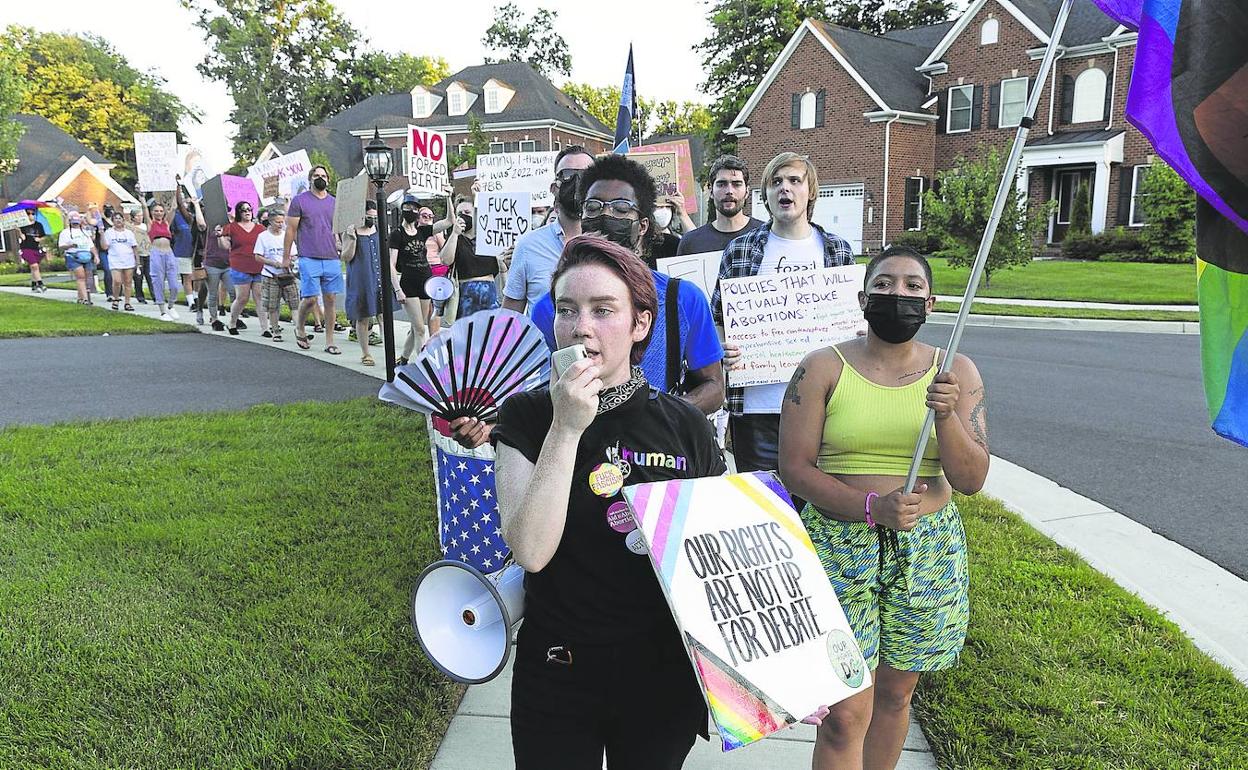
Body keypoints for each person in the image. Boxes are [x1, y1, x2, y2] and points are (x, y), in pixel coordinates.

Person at [492, 235, 725, 770]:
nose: (582, 328)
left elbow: (720, 556)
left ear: (640, 324)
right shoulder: (526, 417)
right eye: (567, 310)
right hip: (558, 670)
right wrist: (567, 427)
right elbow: (530, 549)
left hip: (660, 674)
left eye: (604, 310)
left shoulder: (682, 423)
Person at [778, 247, 988, 770]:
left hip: (926, 550)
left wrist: (946, 416)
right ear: (863, 298)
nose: (899, 295)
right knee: (845, 712)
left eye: (914, 287)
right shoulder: (822, 366)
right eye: (886, 284)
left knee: (896, 695)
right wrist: (871, 507)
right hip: (839, 544)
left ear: (932, 302)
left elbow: (972, 478)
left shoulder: (955, 370)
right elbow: (795, 468)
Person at [530, 153, 725, 416]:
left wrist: (658, 417)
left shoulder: (682, 299)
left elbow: (713, 387)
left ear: (643, 225)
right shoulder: (551, 308)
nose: (604, 215)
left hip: (658, 450)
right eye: (593, 207)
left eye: (620, 209)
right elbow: (539, 389)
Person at [711, 152, 855, 474]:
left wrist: (855, 333)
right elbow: (718, 318)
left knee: (817, 506)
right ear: (766, 195)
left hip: (824, 406)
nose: (784, 189)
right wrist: (723, 349)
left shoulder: (837, 250)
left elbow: (854, 322)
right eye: (776, 182)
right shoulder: (741, 250)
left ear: (811, 191)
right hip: (757, 407)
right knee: (765, 504)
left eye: (794, 181)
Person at [502, 145, 596, 314]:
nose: (576, 183)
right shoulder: (528, 247)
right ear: (554, 188)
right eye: (567, 175)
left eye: (585, 175)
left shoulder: (611, 245)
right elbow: (510, 317)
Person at [285, 165, 342, 354]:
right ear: (310, 179)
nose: (320, 178)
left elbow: (338, 229)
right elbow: (291, 230)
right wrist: (286, 257)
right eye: (316, 175)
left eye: (323, 175)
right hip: (308, 256)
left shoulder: (334, 202)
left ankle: (330, 341)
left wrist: (343, 245)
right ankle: (299, 327)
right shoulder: (299, 201)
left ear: (328, 179)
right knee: (309, 299)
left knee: (331, 299)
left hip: (332, 256)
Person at [676, 154, 765, 256]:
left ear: (747, 191)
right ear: (711, 191)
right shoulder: (690, 243)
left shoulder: (765, 235)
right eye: (722, 184)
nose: (729, 191)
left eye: (737, 184)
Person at [389, 194, 441, 363]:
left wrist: (448, 197)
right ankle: (423, 366)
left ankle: (404, 358)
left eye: (414, 209)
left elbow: (448, 222)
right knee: (420, 329)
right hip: (408, 285)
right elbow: (391, 263)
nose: (411, 211)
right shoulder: (397, 235)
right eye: (408, 208)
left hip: (425, 282)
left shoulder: (422, 231)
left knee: (416, 326)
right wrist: (397, 289)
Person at [439, 196, 500, 318]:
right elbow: (445, 260)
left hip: (489, 295)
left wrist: (477, 195)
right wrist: (455, 233)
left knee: (489, 333)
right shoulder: (456, 239)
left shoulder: (489, 237)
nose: (463, 216)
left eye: (467, 212)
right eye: (459, 213)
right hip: (465, 297)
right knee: (467, 334)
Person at [341, 200, 383, 365]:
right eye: (368, 215)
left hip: (378, 277)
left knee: (383, 315)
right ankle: (366, 353)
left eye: (374, 216)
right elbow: (346, 257)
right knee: (363, 317)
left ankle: (389, 350)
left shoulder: (378, 230)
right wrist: (352, 239)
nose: (371, 218)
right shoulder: (351, 231)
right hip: (361, 279)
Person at [254, 209, 301, 343]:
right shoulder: (263, 237)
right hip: (270, 275)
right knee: (272, 305)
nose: (280, 224)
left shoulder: (287, 235)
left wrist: (290, 262)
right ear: (270, 221)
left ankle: (299, 330)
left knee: (294, 303)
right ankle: (275, 330)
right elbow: (257, 256)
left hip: (287, 274)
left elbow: (294, 253)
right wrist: (273, 263)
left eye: (282, 222)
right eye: (277, 222)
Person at [222, 200, 265, 336]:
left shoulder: (260, 228)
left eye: (249, 209)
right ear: (238, 212)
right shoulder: (232, 227)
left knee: (259, 297)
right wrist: (220, 236)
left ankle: (265, 328)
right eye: (243, 210)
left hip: (258, 265)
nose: (247, 212)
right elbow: (225, 246)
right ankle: (233, 322)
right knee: (242, 298)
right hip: (240, 265)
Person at [172, 183, 206, 311]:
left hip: (198, 253)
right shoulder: (187, 218)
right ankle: (191, 302)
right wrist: (178, 187)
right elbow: (180, 205)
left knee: (198, 278)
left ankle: (197, 298)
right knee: (187, 277)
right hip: (183, 251)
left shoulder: (203, 220)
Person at [147, 201, 182, 320]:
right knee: (158, 282)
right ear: (152, 212)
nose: (159, 213)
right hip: (156, 253)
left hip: (169, 252)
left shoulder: (166, 223)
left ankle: (171, 305)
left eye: (161, 211)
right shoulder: (150, 223)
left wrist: (175, 192)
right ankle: (162, 311)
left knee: (174, 284)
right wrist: (141, 199)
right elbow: (144, 210)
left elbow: (173, 208)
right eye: (156, 210)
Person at [57, 212, 97, 305]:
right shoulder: (65, 232)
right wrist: (70, 245)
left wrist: (96, 255)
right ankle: (85, 299)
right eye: (73, 222)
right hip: (73, 256)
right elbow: (61, 247)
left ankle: (80, 297)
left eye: (77, 222)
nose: (75, 224)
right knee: (81, 277)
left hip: (86, 255)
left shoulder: (85, 232)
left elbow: (91, 245)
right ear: (70, 221)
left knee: (86, 277)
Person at [104, 210, 139, 311]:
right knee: (117, 281)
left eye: (120, 218)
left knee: (128, 281)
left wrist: (137, 261)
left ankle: (127, 302)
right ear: (113, 221)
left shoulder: (129, 233)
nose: (118, 220)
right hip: (115, 259)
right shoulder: (109, 232)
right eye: (116, 219)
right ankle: (116, 299)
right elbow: (105, 246)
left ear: (123, 220)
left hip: (128, 259)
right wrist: (101, 234)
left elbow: (134, 247)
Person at [203, 216, 233, 331]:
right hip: (211, 263)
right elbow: (201, 224)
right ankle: (214, 319)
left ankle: (234, 318)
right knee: (213, 293)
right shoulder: (207, 225)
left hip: (227, 264)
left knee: (233, 291)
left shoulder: (229, 226)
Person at [86, 203, 114, 301]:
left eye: (110, 209)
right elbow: (89, 221)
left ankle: (118, 292)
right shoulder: (100, 222)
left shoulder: (116, 221)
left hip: (115, 250)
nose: (109, 211)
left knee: (117, 271)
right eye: (107, 209)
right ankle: (109, 293)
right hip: (103, 250)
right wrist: (90, 210)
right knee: (108, 270)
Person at [127, 205, 153, 303]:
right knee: (138, 277)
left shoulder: (145, 226)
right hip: (137, 255)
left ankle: (155, 296)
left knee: (150, 275)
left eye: (141, 215)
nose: (140, 217)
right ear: (133, 217)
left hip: (147, 253)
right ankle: (140, 296)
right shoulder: (130, 228)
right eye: (138, 216)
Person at [18, 220, 46, 292]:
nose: (31, 215)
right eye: (28, 213)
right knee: (35, 266)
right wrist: (19, 231)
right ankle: (40, 284)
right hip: (26, 248)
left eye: (32, 213)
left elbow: (43, 236)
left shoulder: (38, 225)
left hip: (35, 248)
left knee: (33, 268)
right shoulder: (23, 225)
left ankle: (34, 285)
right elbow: (23, 238)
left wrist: (39, 239)